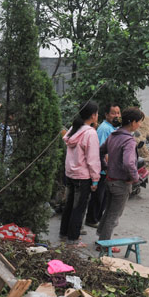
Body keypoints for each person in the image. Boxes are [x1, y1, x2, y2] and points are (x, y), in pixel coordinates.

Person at [96, 107, 144, 245]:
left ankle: (101, 237)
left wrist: (106, 167)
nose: (139, 124)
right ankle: (104, 244)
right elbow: (129, 163)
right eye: (139, 122)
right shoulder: (128, 141)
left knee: (109, 210)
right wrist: (135, 179)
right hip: (121, 183)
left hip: (110, 180)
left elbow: (100, 151)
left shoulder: (114, 135)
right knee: (114, 215)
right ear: (133, 122)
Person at [59, 101, 101, 245]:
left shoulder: (74, 129)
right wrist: (95, 179)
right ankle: (73, 238)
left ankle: (64, 233)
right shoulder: (90, 133)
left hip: (70, 173)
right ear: (93, 115)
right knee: (79, 208)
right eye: (97, 113)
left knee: (69, 205)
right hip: (82, 176)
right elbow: (93, 159)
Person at [85, 103, 121, 227]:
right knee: (98, 197)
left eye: (118, 113)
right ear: (106, 115)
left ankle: (97, 218)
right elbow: (102, 150)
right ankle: (92, 219)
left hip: (109, 169)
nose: (116, 115)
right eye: (113, 113)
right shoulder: (105, 128)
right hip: (102, 169)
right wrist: (108, 167)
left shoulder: (113, 127)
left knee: (104, 197)